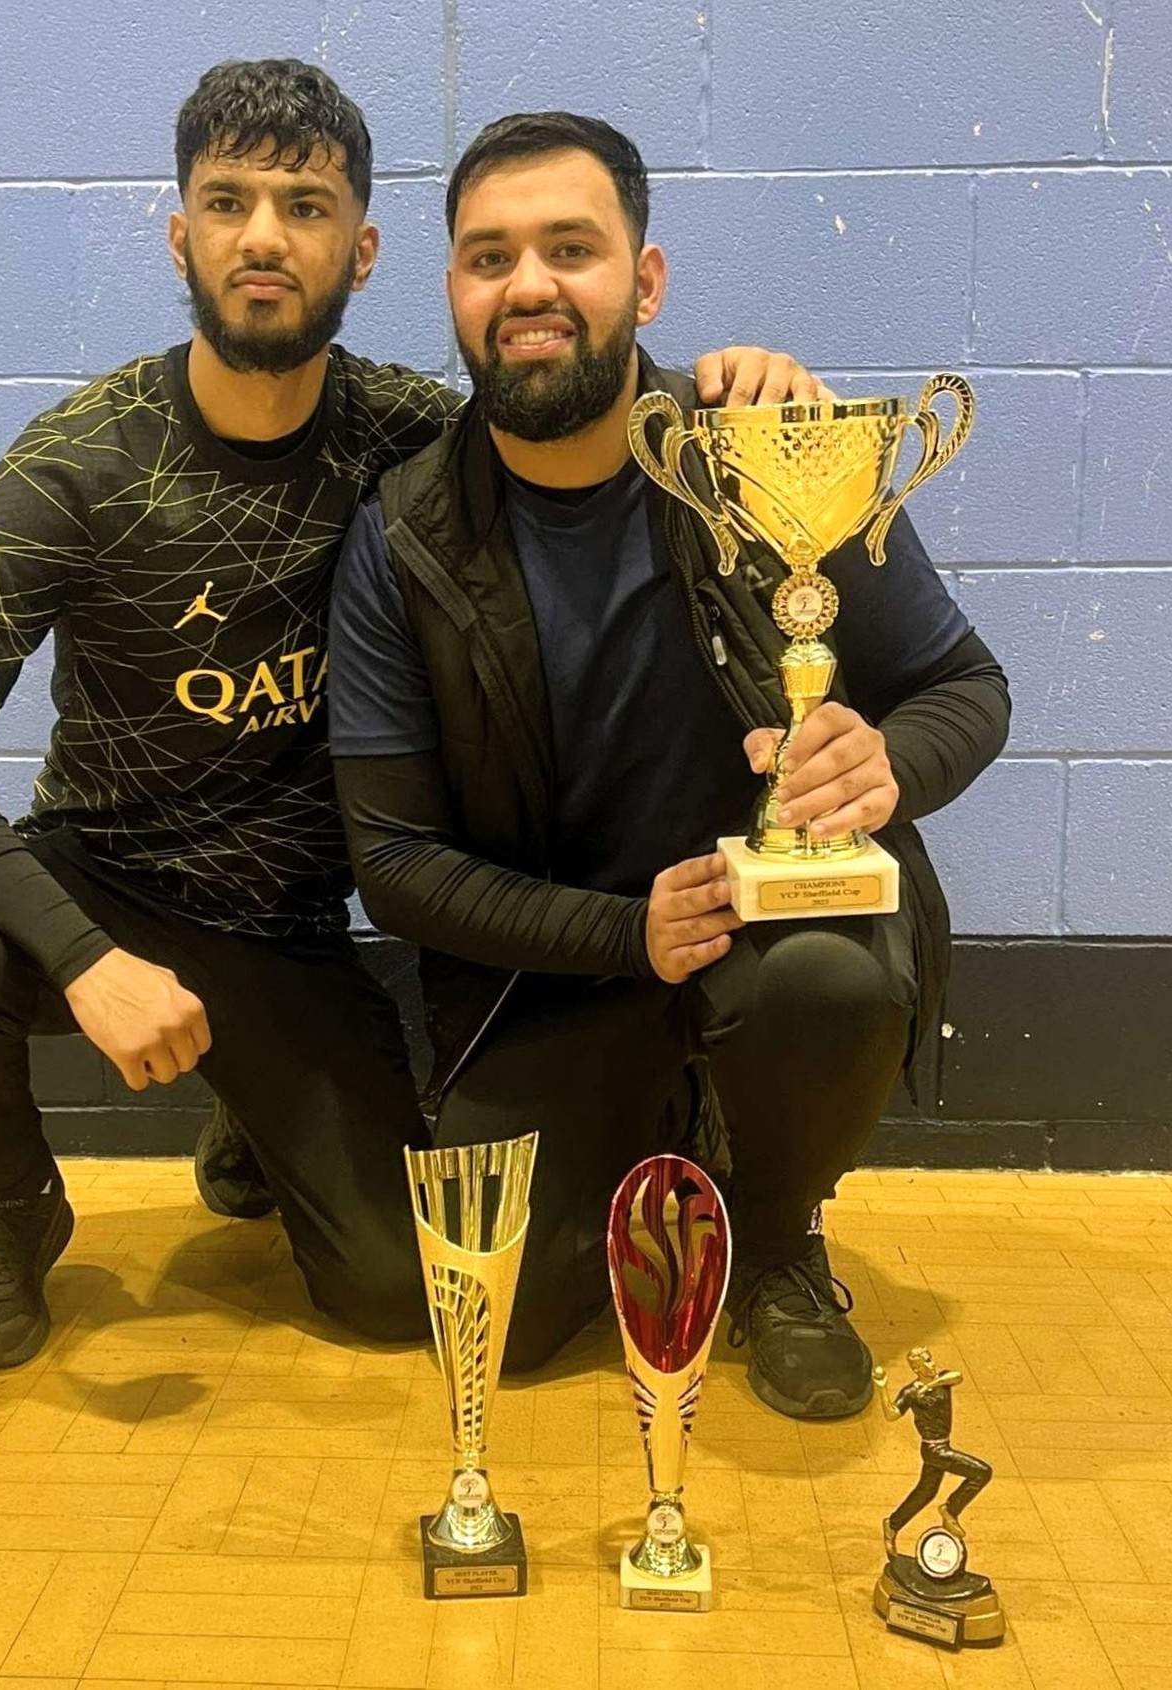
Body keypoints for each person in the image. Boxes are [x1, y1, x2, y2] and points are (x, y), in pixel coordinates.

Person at [0, 61, 823, 1369]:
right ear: (182, 236)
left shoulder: (410, 436)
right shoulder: (70, 466)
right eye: (229, 200)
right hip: (105, 883)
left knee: (394, 1298)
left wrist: (732, 389)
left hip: (295, 933)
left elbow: (580, 412)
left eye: (304, 206)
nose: (264, 234)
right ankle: (12, 1207)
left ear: (361, 253)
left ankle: (262, 1111)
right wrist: (87, 959)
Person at [328, 112, 1012, 1418]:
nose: (527, 284)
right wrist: (625, 932)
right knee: (509, 1323)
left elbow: (966, 689)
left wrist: (886, 763)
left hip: (771, 941)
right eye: (488, 257)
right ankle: (669, 1118)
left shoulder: (770, 447)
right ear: (457, 293)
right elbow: (397, 864)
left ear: (644, 282)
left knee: (820, 980)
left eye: (569, 248)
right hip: (563, 964)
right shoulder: (402, 535)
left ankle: (775, 1235)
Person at [874, 1349, 992, 1554]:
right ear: (916, 1368)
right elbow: (892, 1414)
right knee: (982, 1472)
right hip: (933, 1449)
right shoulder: (911, 1392)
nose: (932, 1363)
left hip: (944, 1444)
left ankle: (892, 1524)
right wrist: (882, 1388)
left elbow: (958, 1376)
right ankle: (950, 1509)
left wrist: (930, 1384)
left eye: (930, 1359)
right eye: (926, 1361)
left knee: (925, 1492)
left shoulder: (942, 1380)